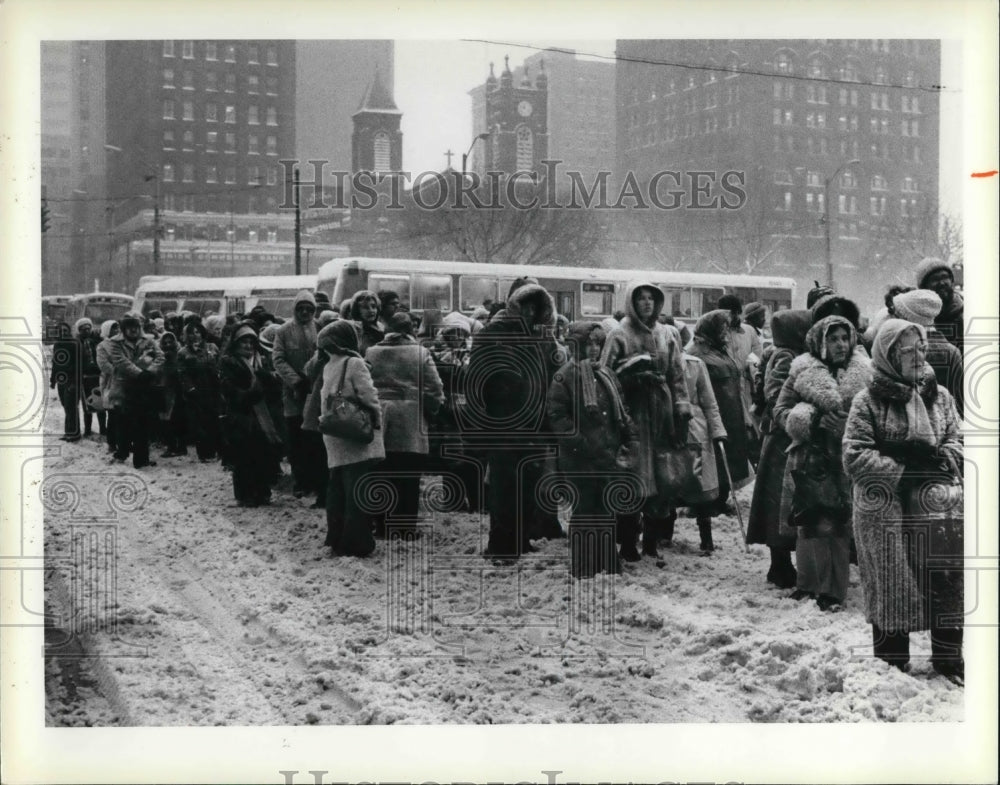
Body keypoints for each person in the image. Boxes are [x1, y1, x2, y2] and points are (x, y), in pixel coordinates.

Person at [844, 319, 964, 682]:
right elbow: (854, 455)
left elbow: (958, 438)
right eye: (907, 350)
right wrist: (904, 470)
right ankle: (892, 663)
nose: (917, 356)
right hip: (885, 507)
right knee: (892, 580)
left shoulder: (940, 396)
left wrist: (942, 457)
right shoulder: (868, 401)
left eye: (921, 348)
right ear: (888, 354)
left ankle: (949, 658)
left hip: (935, 504)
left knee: (945, 577)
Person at [772, 315, 871, 611]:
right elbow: (779, 408)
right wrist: (808, 419)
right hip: (809, 455)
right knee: (808, 519)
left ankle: (832, 589)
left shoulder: (865, 373)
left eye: (844, 338)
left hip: (843, 457)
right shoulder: (802, 370)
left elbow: (874, 414)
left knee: (836, 522)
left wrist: (848, 426)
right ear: (819, 341)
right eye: (833, 338)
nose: (841, 344)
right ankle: (807, 583)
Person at [469, 282, 564, 558]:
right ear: (515, 305)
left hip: (535, 423)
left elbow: (551, 377)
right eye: (526, 305)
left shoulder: (542, 338)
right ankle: (500, 546)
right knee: (503, 488)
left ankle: (521, 540)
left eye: (536, 306)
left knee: (529, 486)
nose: (531, 311)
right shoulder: (492, 334)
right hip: (502, 423)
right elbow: (477, 381)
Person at [600, 282, 691, 561]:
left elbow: (677, 374)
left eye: (652, 298)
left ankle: (651, 543)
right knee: (631, 479)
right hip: (632, 417)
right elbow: (605, 376)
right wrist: (632, 378)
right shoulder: (619, 334)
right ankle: (628, 543)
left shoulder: (666, 334)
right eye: (641, 299)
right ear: (632, 302)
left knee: (663, 478)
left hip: (661, 416)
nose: (647, 304)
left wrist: (681, 409)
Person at [547, 322, 636, 578]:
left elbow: (622, 410)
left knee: (606, 510)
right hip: (580, 458)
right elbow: (557, 416)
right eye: (589, 343)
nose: (595, 348)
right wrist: (582, 444)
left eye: (598, 342)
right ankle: (584, 567)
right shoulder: (565, 376)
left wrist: (629, 439)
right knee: (585, 510)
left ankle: (607, 563)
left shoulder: (607, 374)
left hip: (607, 455)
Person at [746, 310, 813, 588]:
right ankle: (780, 565)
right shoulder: (786, 356)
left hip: (781, 438)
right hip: (783, 440)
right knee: (779, 505)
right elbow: (776, 396)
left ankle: (782, 564)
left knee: (780, 505)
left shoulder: (783, 352)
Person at [364, 312, 445, 534]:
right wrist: (431, 410)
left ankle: (380, 524)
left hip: (380, 419)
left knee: (381, 472)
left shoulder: (372, 352)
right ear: (411, 330)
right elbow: (435, 388)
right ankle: (404, 527)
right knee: (408, 475)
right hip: (410, 420)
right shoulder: (420, 353)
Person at [684, 310, 753, 554]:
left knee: (727, 464)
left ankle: (719, 499)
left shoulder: (718, 350)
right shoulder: (696, 354)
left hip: (729, 414)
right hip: (710, 419)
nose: (726, 333)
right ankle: (708, 507)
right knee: (708, 468)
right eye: (722, 329)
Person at [319, 320, 385, 557]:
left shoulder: (329, 365)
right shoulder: (355, 363)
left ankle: (336, 538)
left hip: (335, 434)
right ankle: (357, 542)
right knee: (357, 490)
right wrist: (377, 423)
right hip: (355, 433)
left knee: (337, 488)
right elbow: (369, 397)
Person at [660, 336, 728, 551]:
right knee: (668, 482)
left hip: (695, 429)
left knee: (699, 484)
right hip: (666, 428)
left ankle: (706, 536)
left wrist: (717, 430)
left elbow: (709, 402)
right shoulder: (657, 364)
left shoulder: (695, 364)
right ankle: (665, 533)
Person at [218, 324, 284, 507]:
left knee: (263, 453)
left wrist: (270, 381)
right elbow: (228, 390)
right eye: (243, 342)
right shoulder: (229, 362)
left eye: (251, 342)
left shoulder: (261, 361)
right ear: (235, 344)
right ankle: (245, 494)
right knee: (244, 456)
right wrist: (251, 393)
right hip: (242, 415)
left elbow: (275, 387)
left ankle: (263, 492)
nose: (248, 346)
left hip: (263, 416)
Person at [272, 290, 325, 502]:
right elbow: (278, 359)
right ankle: (300, 482)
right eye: (301, 308)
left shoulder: (320, 328)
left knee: (314, 438)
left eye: (309, 309)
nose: (305, 312)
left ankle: (315, 480)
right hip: (293, 393)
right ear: (294, 310)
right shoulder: (284, 331)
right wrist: (295, 381)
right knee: (296, 440)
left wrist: (313, 378)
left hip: (316, 391)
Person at [893, 288, 964, 417]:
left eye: (898, 316)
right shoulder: (952, 351)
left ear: (908, 319)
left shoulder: (905, 350)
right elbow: (960, 400)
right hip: (944, 421)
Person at [108, 313, 164, 468]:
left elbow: (160, 356)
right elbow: (120, 361)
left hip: (144, 388)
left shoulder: (149, 340)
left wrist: (150, 371)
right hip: (124, 388)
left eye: (136, 327)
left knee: (142, 423)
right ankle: (122, 452)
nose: (133, 331)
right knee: (124, 422)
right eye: (129, 328)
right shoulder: (115, 343)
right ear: (124, 330)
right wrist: (140, 373)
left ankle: (141, 459)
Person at [177, 321, 221, 462]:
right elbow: (182, 373)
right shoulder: (183, 352)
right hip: (196, 390)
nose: (195, 335)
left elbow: (219, 364)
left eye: (197, 332)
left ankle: (216, 450)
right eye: (191, 333)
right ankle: (204, 453)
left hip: (213, 388)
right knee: (199, 422)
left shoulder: (212, 347)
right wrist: (190, 388)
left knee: (214, 419)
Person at [916, 257, 963, 352]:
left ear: (952, 281)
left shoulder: (965, 311)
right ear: (924, 287)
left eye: (945, 277)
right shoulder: (918, 318)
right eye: (935, 279)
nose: (942, 283)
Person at [73, 318, 105, 439]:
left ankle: (103, 428)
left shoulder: (97, 340)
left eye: (88, 328)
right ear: (79, 330)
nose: (86, 331)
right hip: (85, 377)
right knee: (87, 404)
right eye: (83, 329)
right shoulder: (76, 342)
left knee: (101, 403)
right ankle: (87, 429)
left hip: (98, 375)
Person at [49, 322, 81, 442]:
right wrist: (53, 380)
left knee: (71, 406)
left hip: (72, 380)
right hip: (61, 380)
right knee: (67, 407)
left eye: (65, 330)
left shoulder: (75, 343)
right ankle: (70, 432)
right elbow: (55, 363)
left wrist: (75, 383)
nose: (63, 332)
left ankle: (73, 434)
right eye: (60, 330)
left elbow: (79, 365)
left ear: (69, 331)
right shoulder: (57, 344)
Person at [156, 331, 187, 457]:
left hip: (176, 390)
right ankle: (172, 446)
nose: (168, 344)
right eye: (165, 342)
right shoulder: (159, 355)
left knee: (176, 420)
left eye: (170, 342)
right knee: (164, 419)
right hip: (163, 389)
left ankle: (179, 446)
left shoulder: (179, 354)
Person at [96, 320, 122, 454]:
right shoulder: (102, 346)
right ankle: (112, 443)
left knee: (122, 413)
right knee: (112, 413)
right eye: (113, 329)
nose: (116, 331)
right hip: (110, 381)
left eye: (117, 328)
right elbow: (103, 364)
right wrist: (118, 371)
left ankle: (122, 442)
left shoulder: (122, 343)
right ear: (106, 331)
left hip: (124, 381)